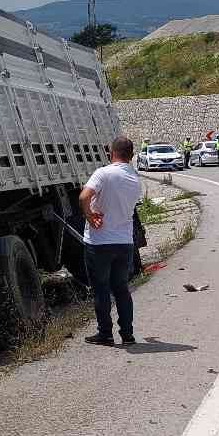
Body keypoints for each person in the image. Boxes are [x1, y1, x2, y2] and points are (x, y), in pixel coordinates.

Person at [80, 136, 143, 346]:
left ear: (110, 152)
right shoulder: (135, 177)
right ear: (131, 156)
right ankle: (127, 334)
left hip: (99, 242)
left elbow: (83, 197)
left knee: (101, 289)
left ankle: (105, 333)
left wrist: (89, 215)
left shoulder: (103, 173)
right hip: (124, 242)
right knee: (122, 289)